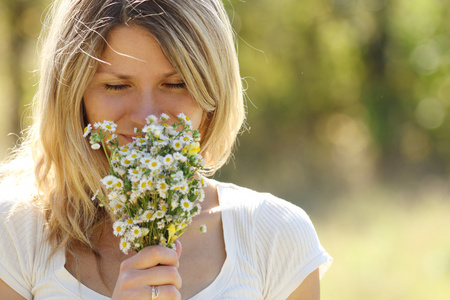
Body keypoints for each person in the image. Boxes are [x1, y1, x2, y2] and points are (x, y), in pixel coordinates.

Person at [0, 0, 332, 299]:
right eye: (116, 86)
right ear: (73, 96)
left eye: (175, 84)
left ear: (213, 89)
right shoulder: (16, 233)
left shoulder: (275, 236)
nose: (146, 117)